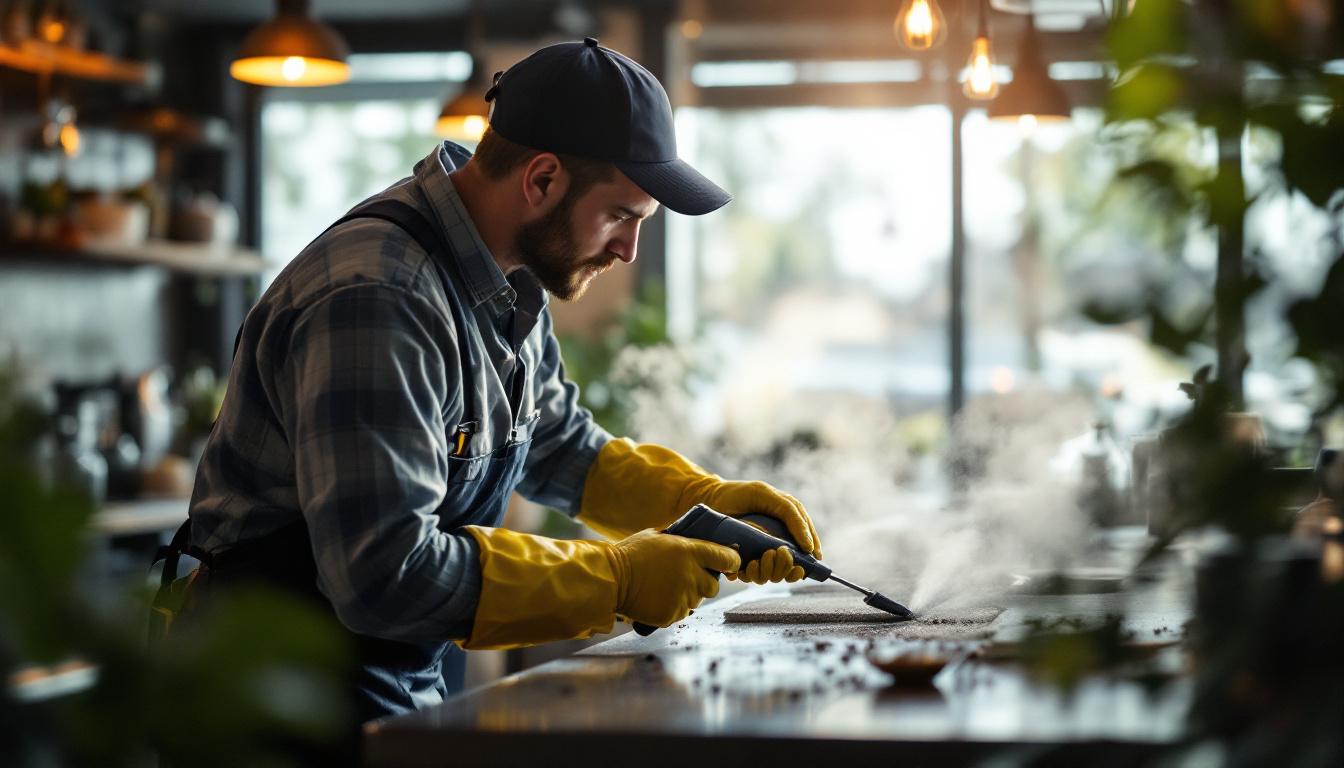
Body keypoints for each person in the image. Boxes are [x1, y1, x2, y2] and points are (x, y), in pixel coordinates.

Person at [163, 38, 822, 725]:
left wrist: (702, 500)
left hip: (376, 677)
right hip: (262, 700)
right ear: (541, 180)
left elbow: (558, 445)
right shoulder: (381, 296)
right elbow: (381, 575)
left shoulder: (506, 281)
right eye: (622, 215)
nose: (628, 249)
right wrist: (616, 579)